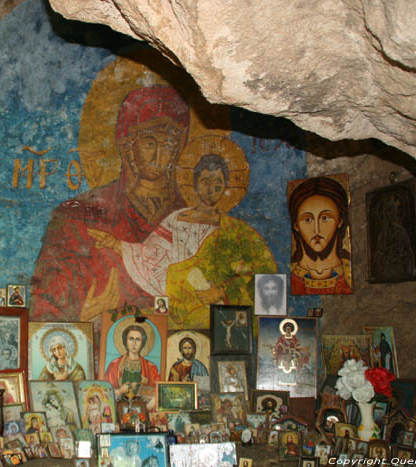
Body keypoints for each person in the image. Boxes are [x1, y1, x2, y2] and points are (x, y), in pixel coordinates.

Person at [30, 85, 191, 323]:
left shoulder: (190, 223)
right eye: (149, 143)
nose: (159, 155)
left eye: (168, 144)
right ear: (128, 146)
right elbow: (46, 308)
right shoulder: (78, 216)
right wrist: (81, 315)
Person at [96, 153, 276, 328]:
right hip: (181, 309)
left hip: (219, 313)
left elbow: (263, 273)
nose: (211, 189)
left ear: (225, 187)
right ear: (196, 184)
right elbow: (151, 255)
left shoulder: (235, 231)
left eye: (217, 183)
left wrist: (222, 291)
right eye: (205, 181)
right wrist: (115, 244)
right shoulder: (176, 220)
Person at [288, 176, 353, 294]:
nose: (316, 230)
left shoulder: (349, 274)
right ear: (296, 225)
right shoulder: (287, 278)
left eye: (324, 218)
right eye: (308, 219)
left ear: (340, 221)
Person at [104, 324, 160, 399]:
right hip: (119, 407)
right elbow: (105, 392)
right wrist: (120, 391)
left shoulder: (151, 367)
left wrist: (144, 392)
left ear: (142, 342)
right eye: (131, 339)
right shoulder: (114, 365)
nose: (134, 343)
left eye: (138, 339)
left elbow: (158, 393)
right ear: (125, 341)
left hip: (142, 408)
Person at [272, 319, 309, 387]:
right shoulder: (282, 338)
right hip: (283, 354)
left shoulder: (294, 337)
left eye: (289, 329)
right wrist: (281, 348)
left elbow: (297, 345)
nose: (288, 330)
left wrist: (298, 349)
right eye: (287, 329)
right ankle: (281, 379)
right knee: (281, 361)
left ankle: (295, 378)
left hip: (292, 354)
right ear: (285, 330)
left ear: (291, 330)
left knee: (295, 361)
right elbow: (278, 345)